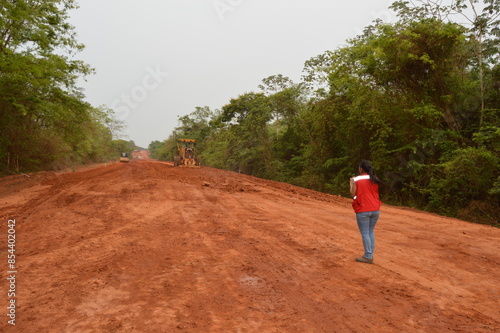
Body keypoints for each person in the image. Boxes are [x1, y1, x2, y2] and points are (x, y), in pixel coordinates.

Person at [350, 160, 382, 264]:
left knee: (365, 233)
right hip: (375, 209)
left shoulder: (357, 179)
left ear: (361, 169)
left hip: (363, 209)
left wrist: (351, 183)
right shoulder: (375, 179)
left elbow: (353, 194)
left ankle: (368, 256)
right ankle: (370, 253)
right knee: (370, 231)